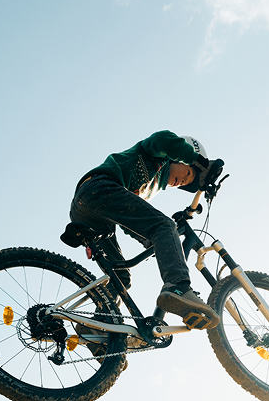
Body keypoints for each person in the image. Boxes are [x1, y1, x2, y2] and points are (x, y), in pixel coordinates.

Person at [69, 131, 222, 329]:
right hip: (98, 188)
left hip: (88, 212)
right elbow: (161, 140)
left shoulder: (151, 188)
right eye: (188, 173)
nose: (183, 182)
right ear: (179, 157)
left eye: (186, 183)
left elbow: (128, 221)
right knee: (165, 225)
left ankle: (97, 327)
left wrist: (149, 240)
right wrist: (198, 161)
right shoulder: (156, 157)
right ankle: (178, 286)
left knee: (121, 275)